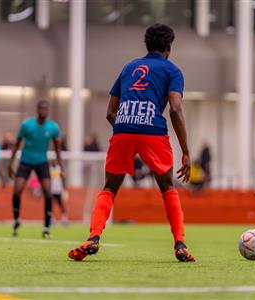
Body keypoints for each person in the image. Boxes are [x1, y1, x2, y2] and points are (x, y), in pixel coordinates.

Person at [69, 24, 194, 262]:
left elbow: (109, 112)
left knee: (109, 187)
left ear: (147, 44)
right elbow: (176, 109)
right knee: (167, 185)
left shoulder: (128, 67)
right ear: (169, 46)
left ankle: (93, 237)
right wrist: (186, 152)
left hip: (123, 128)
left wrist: (127, 125)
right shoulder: (172, 70)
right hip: (153, 131)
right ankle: (180, 243)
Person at [8, 100, 63, 239]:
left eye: (46, 108)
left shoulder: (53, 127)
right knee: (17, 191)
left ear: (48, 110)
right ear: (37, 109)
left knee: (48, 193)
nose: (44, 111)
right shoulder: (27, 125)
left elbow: (57, 148)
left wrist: (61, 167)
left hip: (42, 162)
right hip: (25, 161)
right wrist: (10, 164)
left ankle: (46, 226)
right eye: (41, 108)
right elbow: (17, 144)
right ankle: (16, 219)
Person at [50, 160, 69, 227]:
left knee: (61, 205)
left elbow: (63, 179)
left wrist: (64, 189)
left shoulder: (59, 169)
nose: (54, 163)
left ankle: (64, 219)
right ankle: (52, 220)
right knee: (51, 205)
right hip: (52, 190)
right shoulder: (50, 169)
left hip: (59, 190)